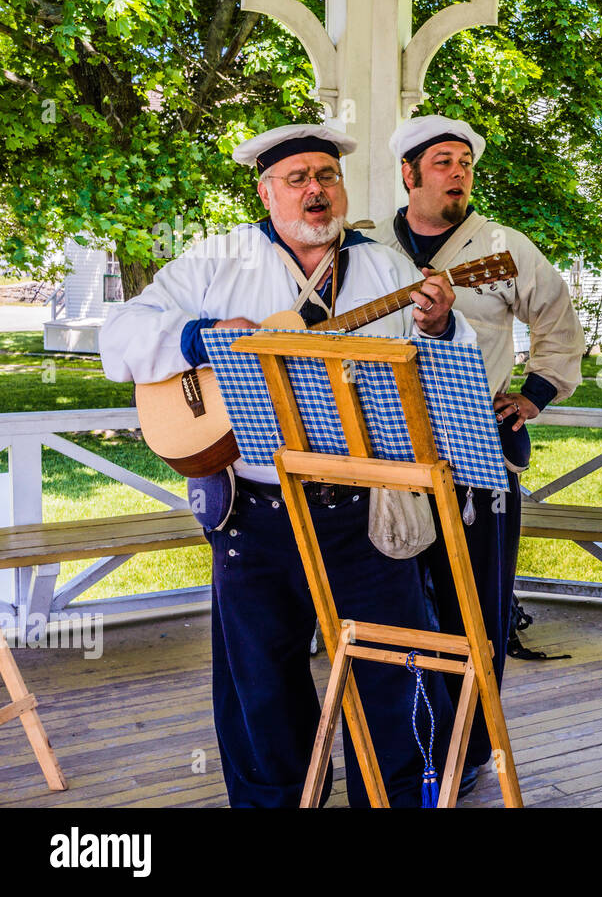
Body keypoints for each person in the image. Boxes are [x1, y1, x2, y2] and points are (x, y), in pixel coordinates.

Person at [100, 124, 475, 807]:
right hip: (256, 511)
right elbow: (119, 334)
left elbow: (449, 371)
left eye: (326, 177)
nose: (315, 190)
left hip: (361, 508)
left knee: (394, 672)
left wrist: (442, 325)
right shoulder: (216, 260)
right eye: (298, 178)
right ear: (266, 190)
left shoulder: (387, 268)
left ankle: (394, 800)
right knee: (261, 682)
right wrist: (198, 339)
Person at [374, 115, 584, 794]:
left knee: (477, 600)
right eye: (442, 162)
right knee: (399, 600)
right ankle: (411, 743)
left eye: (464, 162)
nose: (457, 172)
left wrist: (535, 395)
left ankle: (470, 744)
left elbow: (558, 320)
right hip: (387, 448)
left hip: (476, 445)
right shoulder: (369, 246)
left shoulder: (501, 246)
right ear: (408, 174)